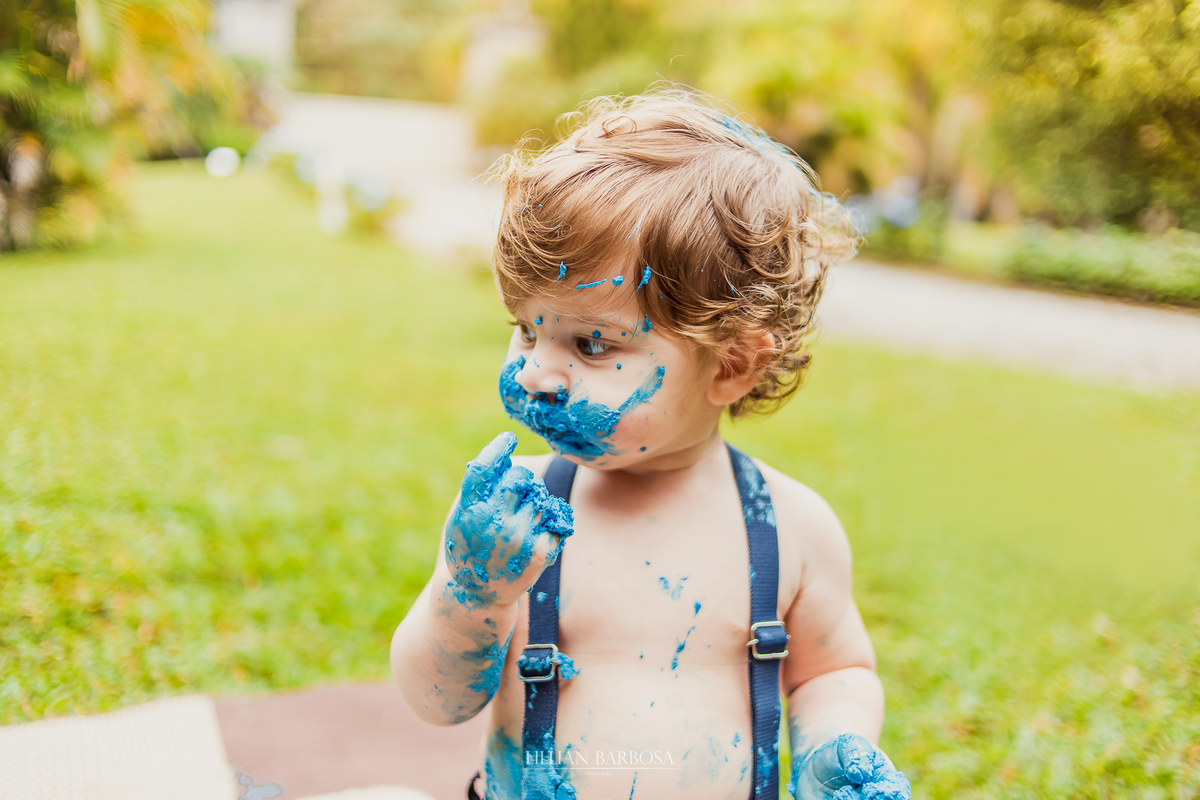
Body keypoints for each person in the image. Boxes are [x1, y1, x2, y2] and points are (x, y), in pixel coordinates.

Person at [390, 89, 911, 800]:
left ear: (730, 366)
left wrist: (833, 747)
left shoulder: (793, 530)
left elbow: (833, 671)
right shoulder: (519, 521)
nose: (536, 371)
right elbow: (438, 702)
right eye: (525, 327)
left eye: (592, 342)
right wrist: (470, 593)